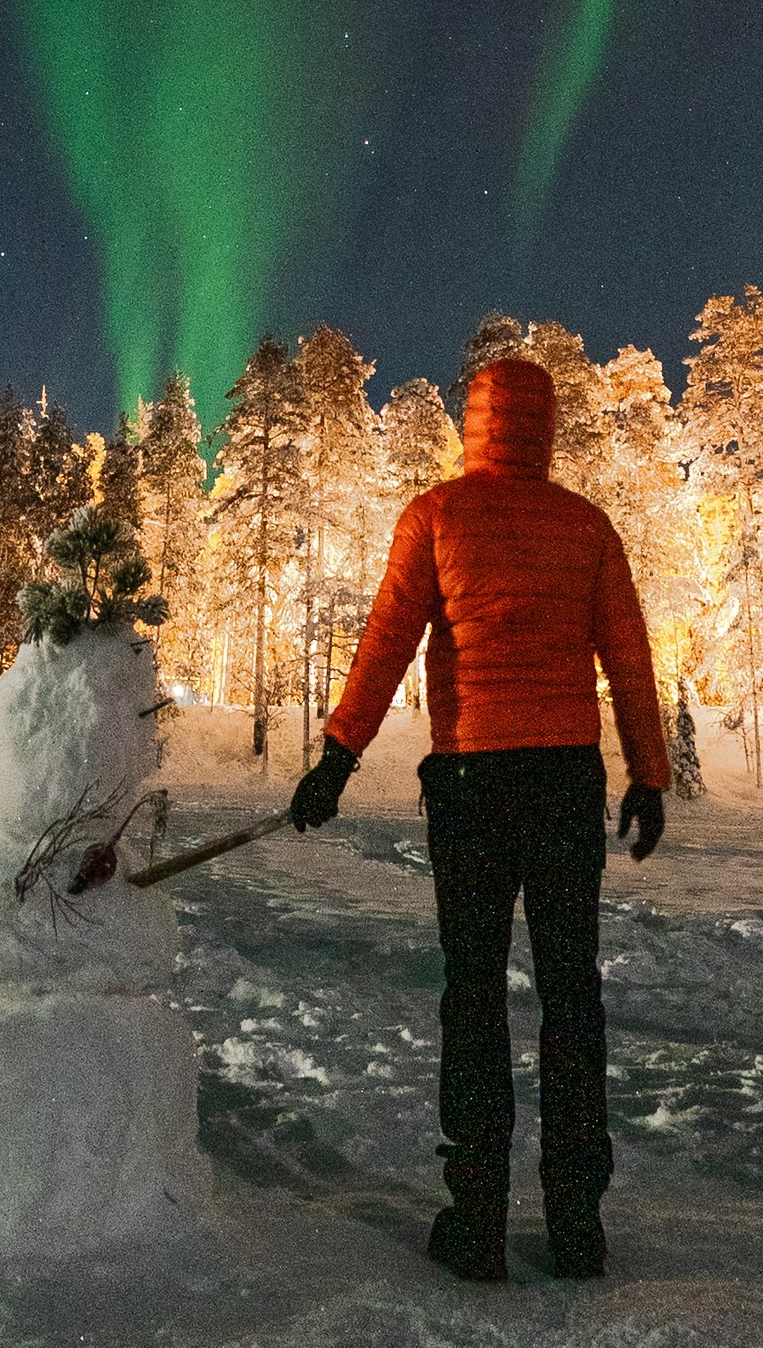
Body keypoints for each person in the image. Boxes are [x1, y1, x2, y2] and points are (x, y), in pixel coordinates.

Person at [285, 351, 669, 1283]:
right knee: (572, 992)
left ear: (474, 421)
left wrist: (337, 758)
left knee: (475, 996)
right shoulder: (585, 525)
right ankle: (577, 1224)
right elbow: (629, 658)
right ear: (545, 425)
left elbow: (386, 642)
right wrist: (647, 776)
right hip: (567, 783)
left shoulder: (437, 516)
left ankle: (479, 1221)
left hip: (471, 786)